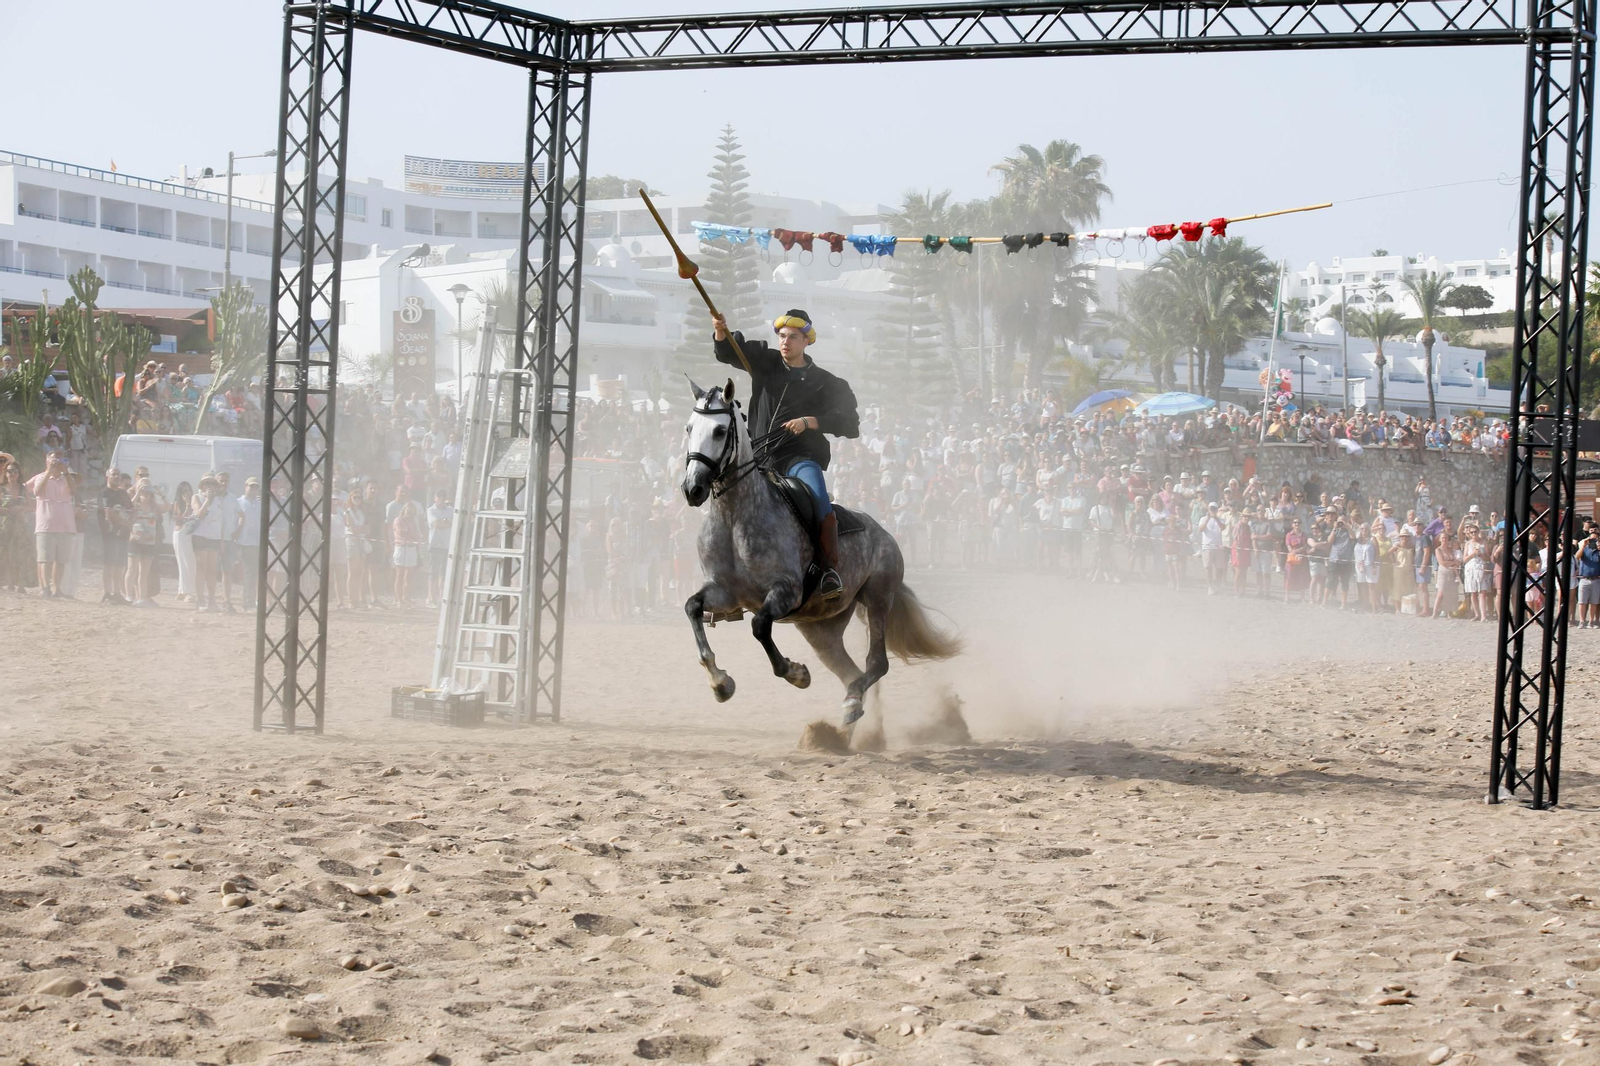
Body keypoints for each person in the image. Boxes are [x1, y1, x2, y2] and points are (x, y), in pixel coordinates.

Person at [711, 307, 861, 600]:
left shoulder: (827, 382)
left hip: (799, 458)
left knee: (819, 498)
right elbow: (730, 352)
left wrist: (810, 422)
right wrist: (720, 330)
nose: (785, 342)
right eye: (781, 335)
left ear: (807, 341)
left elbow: (850, 424)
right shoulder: (765, 362)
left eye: (793, 336)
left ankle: (829, 570)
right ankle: (724, 576)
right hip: (758, 457)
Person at [26, 451, 78, 597]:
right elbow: (37, 492)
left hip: (65, 526)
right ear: (46, 462)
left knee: (60, 560)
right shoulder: (40, 477)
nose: (55, 463)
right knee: (45, 559)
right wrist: (49, 472)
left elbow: (73, 491)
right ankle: (44, 588)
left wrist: (66, 472)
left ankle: (56, 589)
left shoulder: (66, 478)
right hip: (46, 526)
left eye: (57, 460)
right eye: (52, 460)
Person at [98, 465, 132, 605]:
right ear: (107, 476)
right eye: (114, 474)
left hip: (123, 534)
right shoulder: (105, 493)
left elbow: (132, 509)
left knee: (120, 565)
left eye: (118, 474)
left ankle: (117, 593)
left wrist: (130, 523)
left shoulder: (123, 494)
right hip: (110, 533)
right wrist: (126, 523)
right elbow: (109, 513)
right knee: (109, 564)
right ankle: (107, 592)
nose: (117, 477)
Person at [0, 461, 35, 591]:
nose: (12, 474)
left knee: (21, 553)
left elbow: (31, 507)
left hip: (20, 525)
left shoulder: (22, 488)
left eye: (15, 471)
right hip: (4, 526)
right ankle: (9, 583)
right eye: (10, 471)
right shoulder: (1, 488)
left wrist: (21, 508)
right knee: (6, 553)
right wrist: (7, 510)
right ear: (5, 472)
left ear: (19, 473)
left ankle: (21, 584)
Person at [236, 477, 263, 610]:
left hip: (257, 542)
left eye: (256, 487)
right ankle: (248, 602)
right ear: (245, 486)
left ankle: (251, 600)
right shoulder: (239, 502)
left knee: (254, 572)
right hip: (244, 541)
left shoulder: (259, 504)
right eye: (251, 486)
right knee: (249, 572)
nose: (253, 489)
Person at [426, 489, 453, 608]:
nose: (441, 499)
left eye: (443, 496)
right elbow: (436, 524)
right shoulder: (431, 510)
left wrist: (444, 522)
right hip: (435, 545)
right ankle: (431, 598)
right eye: (439, 496)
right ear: (435, 498)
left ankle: (442, 598)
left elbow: (456, 522)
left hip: (447, 545)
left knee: (444, 573)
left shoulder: (451, 510)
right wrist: (448, 522)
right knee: (433, 573)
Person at [171, 481, 197, 603]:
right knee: (185, 563)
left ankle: (182, 590)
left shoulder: (195, 502)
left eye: (189, 490)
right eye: (184, 491)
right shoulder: (177, 503)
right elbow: (178, 521)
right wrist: (187, 506)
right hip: (180, 533)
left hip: (189, 534)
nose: (187, 493)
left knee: (190, 563)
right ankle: (188, 592)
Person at [1578, 525, 1600, 629]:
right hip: (1584, 579)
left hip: (1596, 579)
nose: (1593, 541)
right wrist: (1583, 545)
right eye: (1591, 539)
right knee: (1582, 602)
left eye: (1595, 539)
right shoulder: (1584, 549)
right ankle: (1582, 621)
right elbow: (1577, 556)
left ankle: (1591, 621)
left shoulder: (1598, 551)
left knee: (1594, 602)